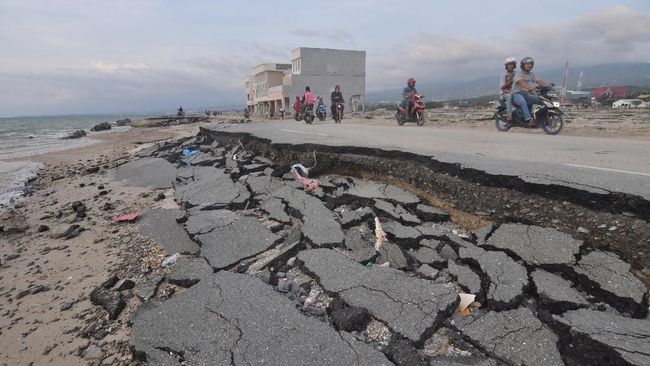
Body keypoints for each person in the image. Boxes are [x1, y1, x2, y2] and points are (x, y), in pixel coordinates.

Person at [511, 56, 546, 126]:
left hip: (526, 94)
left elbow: (539, 81)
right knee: (522, 101)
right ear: (523, 65)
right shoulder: (518, 74)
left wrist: (548, 86)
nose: (529, 65)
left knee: (538, 99)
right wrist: (530, 88)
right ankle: (528, 119)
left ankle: (541, 117)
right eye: (527, 64)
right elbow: (521, 82)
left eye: (531, 64)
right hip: (516, 94)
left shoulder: (531, 74)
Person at [500, 57, 517, 121]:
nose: (510, 65)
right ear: (506, 66)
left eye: (512, 64)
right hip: (504, 94)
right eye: (509, 64)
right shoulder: (504, 75)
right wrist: (511, 81)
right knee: (509, 96)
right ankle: (509, 115)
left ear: (514, 65)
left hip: (515, 92)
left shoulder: (517, 73)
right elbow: (502, 87)